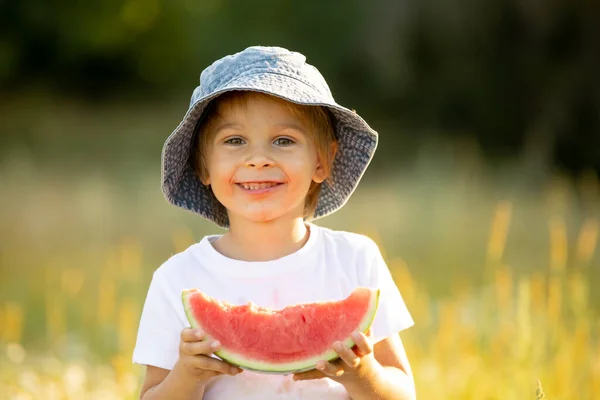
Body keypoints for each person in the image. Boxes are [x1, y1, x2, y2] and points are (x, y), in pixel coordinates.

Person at [132, 45, 416, 400]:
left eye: (284, 140)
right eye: (234, 141)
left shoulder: (356, 260)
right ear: (203, 165)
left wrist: (363, 373)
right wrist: (188, 376)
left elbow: (404, 392)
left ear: (323, 161)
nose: (259, 159)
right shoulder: (177, 280)